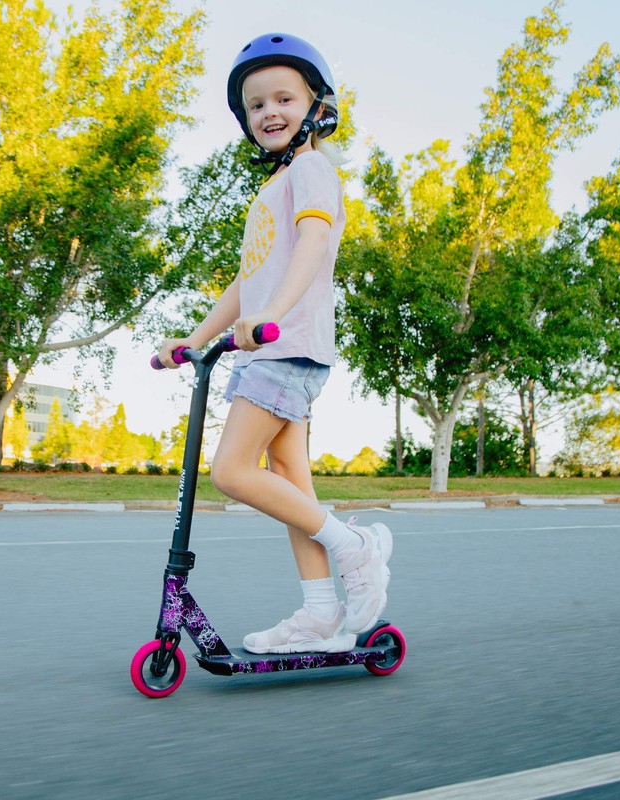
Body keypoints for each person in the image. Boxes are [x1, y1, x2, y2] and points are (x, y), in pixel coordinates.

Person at [157, 33, 392, 655]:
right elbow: (247, 282)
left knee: (233, 471)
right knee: (290, 480)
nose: (269, 112)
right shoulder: (274, 187)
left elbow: (313, 248)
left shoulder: (313, 169)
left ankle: (356, 549)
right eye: (256, 105)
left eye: (284, 97)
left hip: (286, 346)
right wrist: (196, 338)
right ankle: (319, 611)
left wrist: (273, 314)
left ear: (317, 105)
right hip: (272, 346)